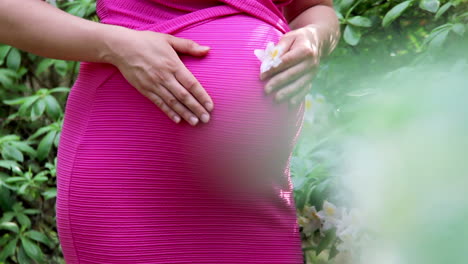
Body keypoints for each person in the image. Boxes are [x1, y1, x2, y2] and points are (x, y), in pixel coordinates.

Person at [0, 0, 340, 263]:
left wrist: (315, 38)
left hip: (258, 197)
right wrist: (115, 44)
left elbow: (315, 9)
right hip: (135, 184)